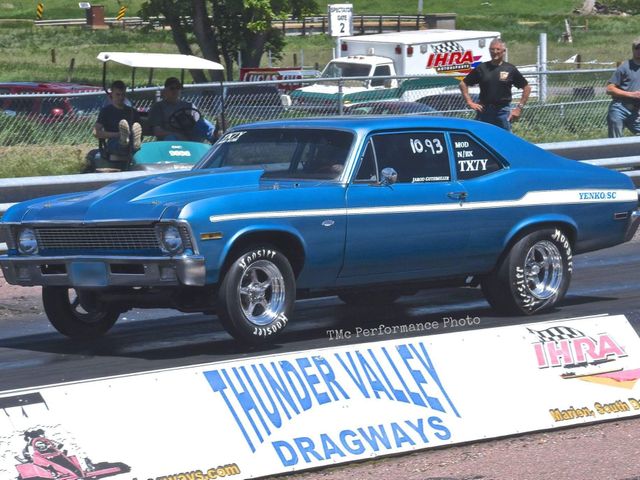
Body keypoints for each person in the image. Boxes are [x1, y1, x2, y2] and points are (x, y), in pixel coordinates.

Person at [459, 38, 531, 131]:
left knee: (505, 140)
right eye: (492, 49)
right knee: (482, 139)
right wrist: (469, 102)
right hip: (484, 111)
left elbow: (527, 88)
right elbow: (463, 84)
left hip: (503, 112)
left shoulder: (510, 69)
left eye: (498, 49)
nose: (495, 52)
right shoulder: (482, 68)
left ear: (504, 51)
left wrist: (519, 108)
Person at [148, 77, 214, 142]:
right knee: (171, 138)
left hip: (190, 136)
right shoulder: (158, 107)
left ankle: (217, 138)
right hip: (171, 138)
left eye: (178, 88)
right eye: (172, 88)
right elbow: (157, 131)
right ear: (165, 90)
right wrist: (177, 135)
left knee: (203, 124)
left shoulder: (188, 105)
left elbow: (199, 121)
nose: (175, 91)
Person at [93, 80, 142, 158]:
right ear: (111, 94)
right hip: (114, 140)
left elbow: (139, 128)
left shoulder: (132, 111)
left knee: (133, 140)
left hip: (131, 139)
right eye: (118, 94)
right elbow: (96, 132)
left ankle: (133, 143)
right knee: (119, 143)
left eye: (123, 95)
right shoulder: (106, 111)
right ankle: (124, 141)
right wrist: (117, 134)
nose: (120, 97)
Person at [606, 38, 640, 138]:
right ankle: (613, 153)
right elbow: (609, 89)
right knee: (615, 142)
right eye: (637, 48)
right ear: (633, 50)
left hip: (636, 111)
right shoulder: (624, 67)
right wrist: (631, 94)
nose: (639, 51)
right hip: (620, 108)